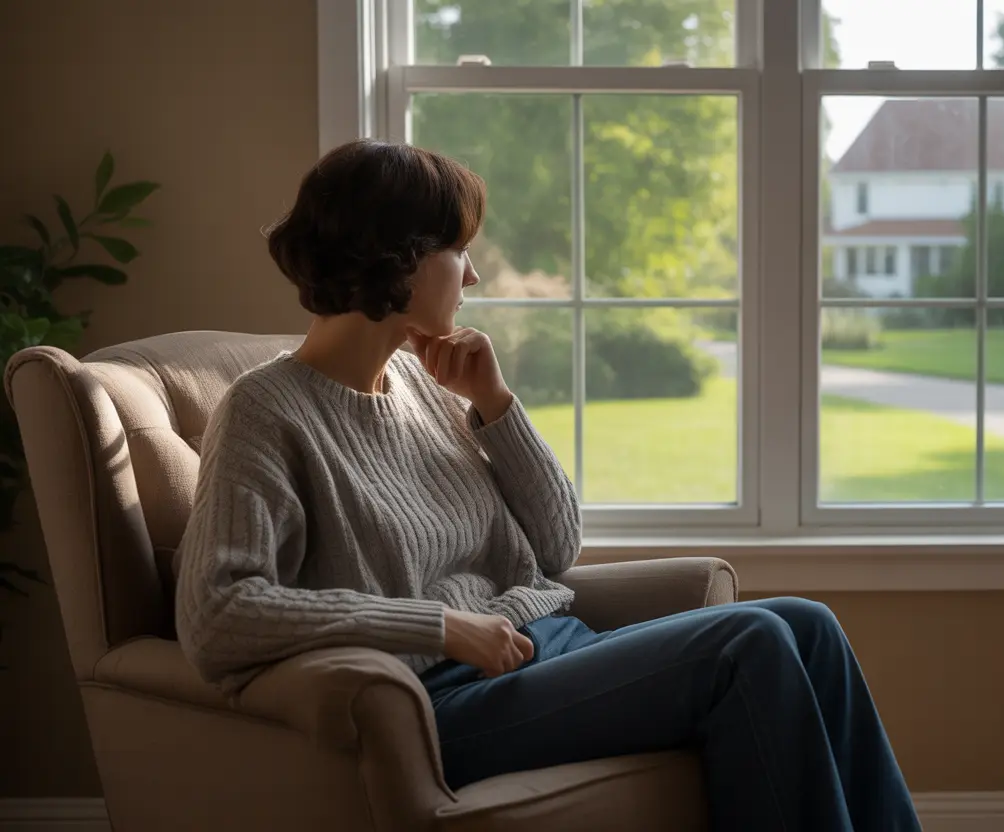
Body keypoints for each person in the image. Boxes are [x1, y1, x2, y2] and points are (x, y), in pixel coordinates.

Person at [173, 139, 921, 831]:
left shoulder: (423, 381)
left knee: (809, 625)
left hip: (552, 647)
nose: (472, 275)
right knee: (750, 640)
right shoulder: (265, 411)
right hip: (445, 698)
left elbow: (559, 544)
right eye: (457, 251)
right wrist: (438, 626)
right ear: (398, 261)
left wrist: (496, 407)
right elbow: (217, 613)